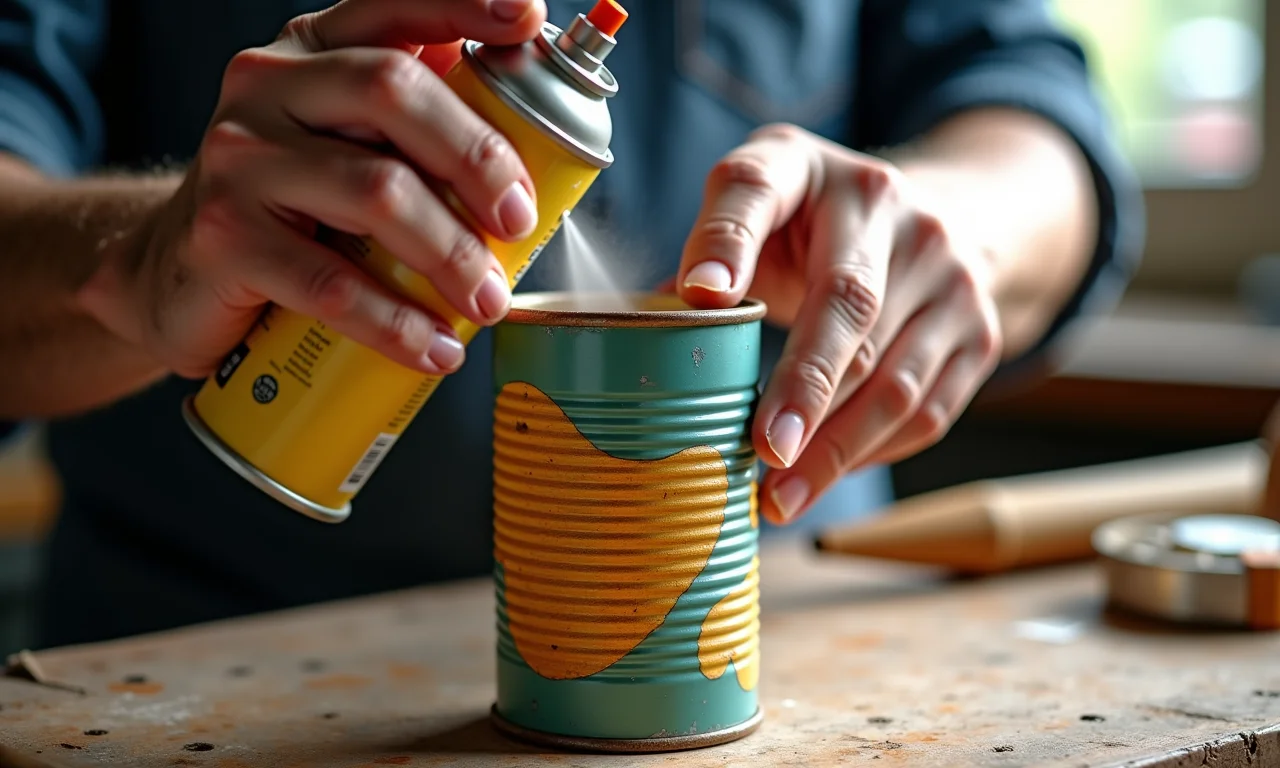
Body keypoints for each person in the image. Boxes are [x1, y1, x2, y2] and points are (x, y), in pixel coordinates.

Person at [0, 0, 1142, 648]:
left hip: (789, 662)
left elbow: (1033, 113)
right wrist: (142, 257)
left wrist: (953, 225)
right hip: (213, 683)